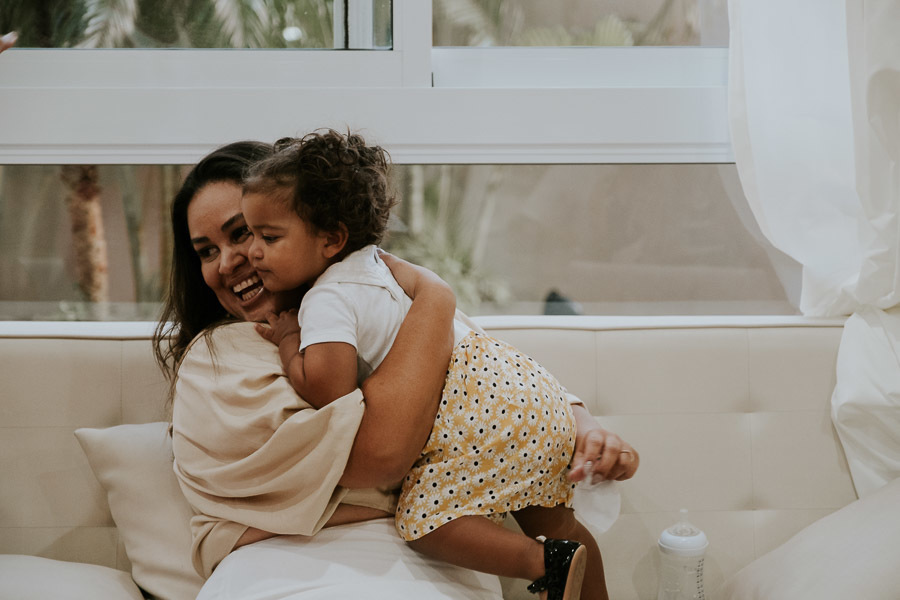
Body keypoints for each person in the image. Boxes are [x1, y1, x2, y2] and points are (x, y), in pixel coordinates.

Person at [156, 140, 639, 599]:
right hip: (278, 573)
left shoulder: (358, 299)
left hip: (424, 573)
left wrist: (583, 424)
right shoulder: (215, 357)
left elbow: (482, 364)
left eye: (247, 233)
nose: (234, 261)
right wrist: (434, 296)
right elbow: (384, 456)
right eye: (205, 251)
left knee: (556, 527)